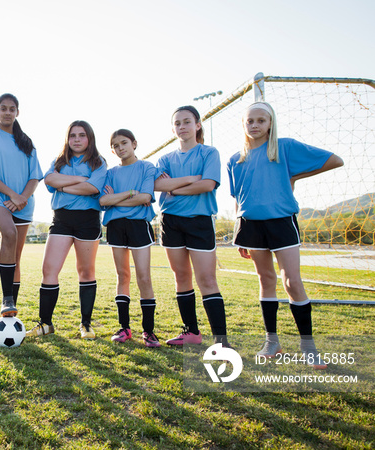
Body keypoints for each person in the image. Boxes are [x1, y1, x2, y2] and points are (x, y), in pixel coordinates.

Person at [227, 101, 343, 369]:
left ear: (270, 123)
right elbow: (238, 198)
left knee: (292, 281)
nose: (255, 125)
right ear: (244, 125)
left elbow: (335, 160)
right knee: (265, 279)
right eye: (250, 121)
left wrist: (294, 175)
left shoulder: (284, 147)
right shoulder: (235, 159)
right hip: (250, 224)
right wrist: (238, 231)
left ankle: (308, 346)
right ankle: (272, 341)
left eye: (261, 120)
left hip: (281, 222)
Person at [154, 105, 229, 346]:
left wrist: (174, 187)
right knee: (181, 277)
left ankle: (221, 341)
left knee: (207, 279)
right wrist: (188, 182)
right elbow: (158, 186)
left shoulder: (209, 153)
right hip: (170, 221)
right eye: (177, 123)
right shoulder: (165, 158)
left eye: (187, 122)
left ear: (197, 125)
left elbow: (207, 185)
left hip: (199, 220)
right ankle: (191, 332)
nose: (182, 127)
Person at [27, 120, 107, 339]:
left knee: (86, 271)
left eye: (82, 135)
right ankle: (45, 323)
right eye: (73, 135)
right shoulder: (59, 161)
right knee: (49, 270)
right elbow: (49, 180)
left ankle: (86, 324)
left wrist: (63, 185)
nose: (77, 139)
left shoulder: (98, 163)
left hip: (88, 220)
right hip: (61, 219)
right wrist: (78, 181)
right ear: (67, 138)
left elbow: (93, 187)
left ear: (89, 138)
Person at [0, 93, 43, 317]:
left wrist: (22, 197)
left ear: (17, 112)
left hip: (24, 202)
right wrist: (13, 195)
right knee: (9, 232)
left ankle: (11, 308)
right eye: (3, 108)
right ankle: (6, 299)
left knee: (16, 257)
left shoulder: (27, 142)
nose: (7, 112)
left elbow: (35, 177)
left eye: (11, 109)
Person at [99, 129, 160, 346]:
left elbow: (145, 197)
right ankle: (124, 327)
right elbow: (103, 201)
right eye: (115, 145)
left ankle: (149, 331)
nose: (120, 148)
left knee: (143, 276)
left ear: (134, 143)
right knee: (122, 275)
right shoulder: (110, 173)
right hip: (115, 226)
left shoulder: (146, 167)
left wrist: (116, 199)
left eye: (124, 143)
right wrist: (129, 193)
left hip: (138, 225)